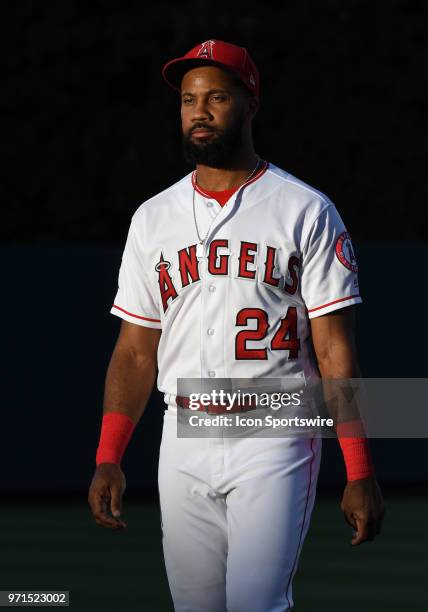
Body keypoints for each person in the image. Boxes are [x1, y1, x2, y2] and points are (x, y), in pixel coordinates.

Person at [88, 39, 385, 611]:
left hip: (275, 433)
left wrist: (360, 469)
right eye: (188, 99)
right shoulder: (152, 218)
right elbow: (132, 352)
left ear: (251, 104)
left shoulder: (304, 209)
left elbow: (335, 350)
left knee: (256, 604)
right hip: (183, 433)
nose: (199, 111)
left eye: (217, 97)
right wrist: (108, 456)